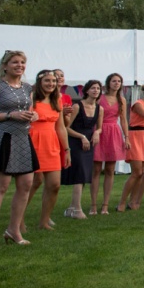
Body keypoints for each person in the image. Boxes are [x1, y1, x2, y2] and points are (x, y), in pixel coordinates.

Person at [0, 50, 38, 247]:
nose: (19, 65)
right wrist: (9, 115)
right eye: (15, 62)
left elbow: (27, 110)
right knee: (1, 186)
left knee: (26, 185)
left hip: (23, 138)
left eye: (22, 62)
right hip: (2, 138)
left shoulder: (28, 87)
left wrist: (32, 116)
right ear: (5, 65)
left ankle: (13, 230)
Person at [25, 69, 69, 232]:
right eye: (47, 81)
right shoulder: (30, 98)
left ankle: (44, 221)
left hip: (51, 142)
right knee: (34, 182)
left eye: (53, 81)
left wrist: (67, 149)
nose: (51, 84)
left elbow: (61, 127)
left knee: (55, 184)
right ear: (39, 82)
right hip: (33, 140)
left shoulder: (57, 99)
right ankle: (19, 219)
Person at [117, 83, 144, 211]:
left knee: (141, 172)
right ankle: (122, 202)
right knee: (136, 172)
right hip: (136, 136)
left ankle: (133, 201)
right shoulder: (138, 104)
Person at [62, 80, 102, 219]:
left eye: (98, 88)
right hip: (76, 141)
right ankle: (77, 209)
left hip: (89, 143)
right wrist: (82, 137)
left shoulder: (99, 108)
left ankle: (72, 208)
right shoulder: (77, 106)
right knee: (79, 174)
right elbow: (66, 127)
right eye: (93, 88)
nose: (95, 91)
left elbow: (99, 126)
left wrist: (97, 133)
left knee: (85, 175)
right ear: (86, 91)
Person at [92, 73, 129, 215]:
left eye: (119, 81)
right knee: (95, 170)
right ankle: (94, 205)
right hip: (99, 131)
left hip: (114, 131)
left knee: (110, 169)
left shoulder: (121, 99)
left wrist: (127, 137)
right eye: (114, 81)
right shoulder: (99, 98)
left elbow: (124, 120)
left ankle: (105, 205)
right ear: (108, 83)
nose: (117, 83)